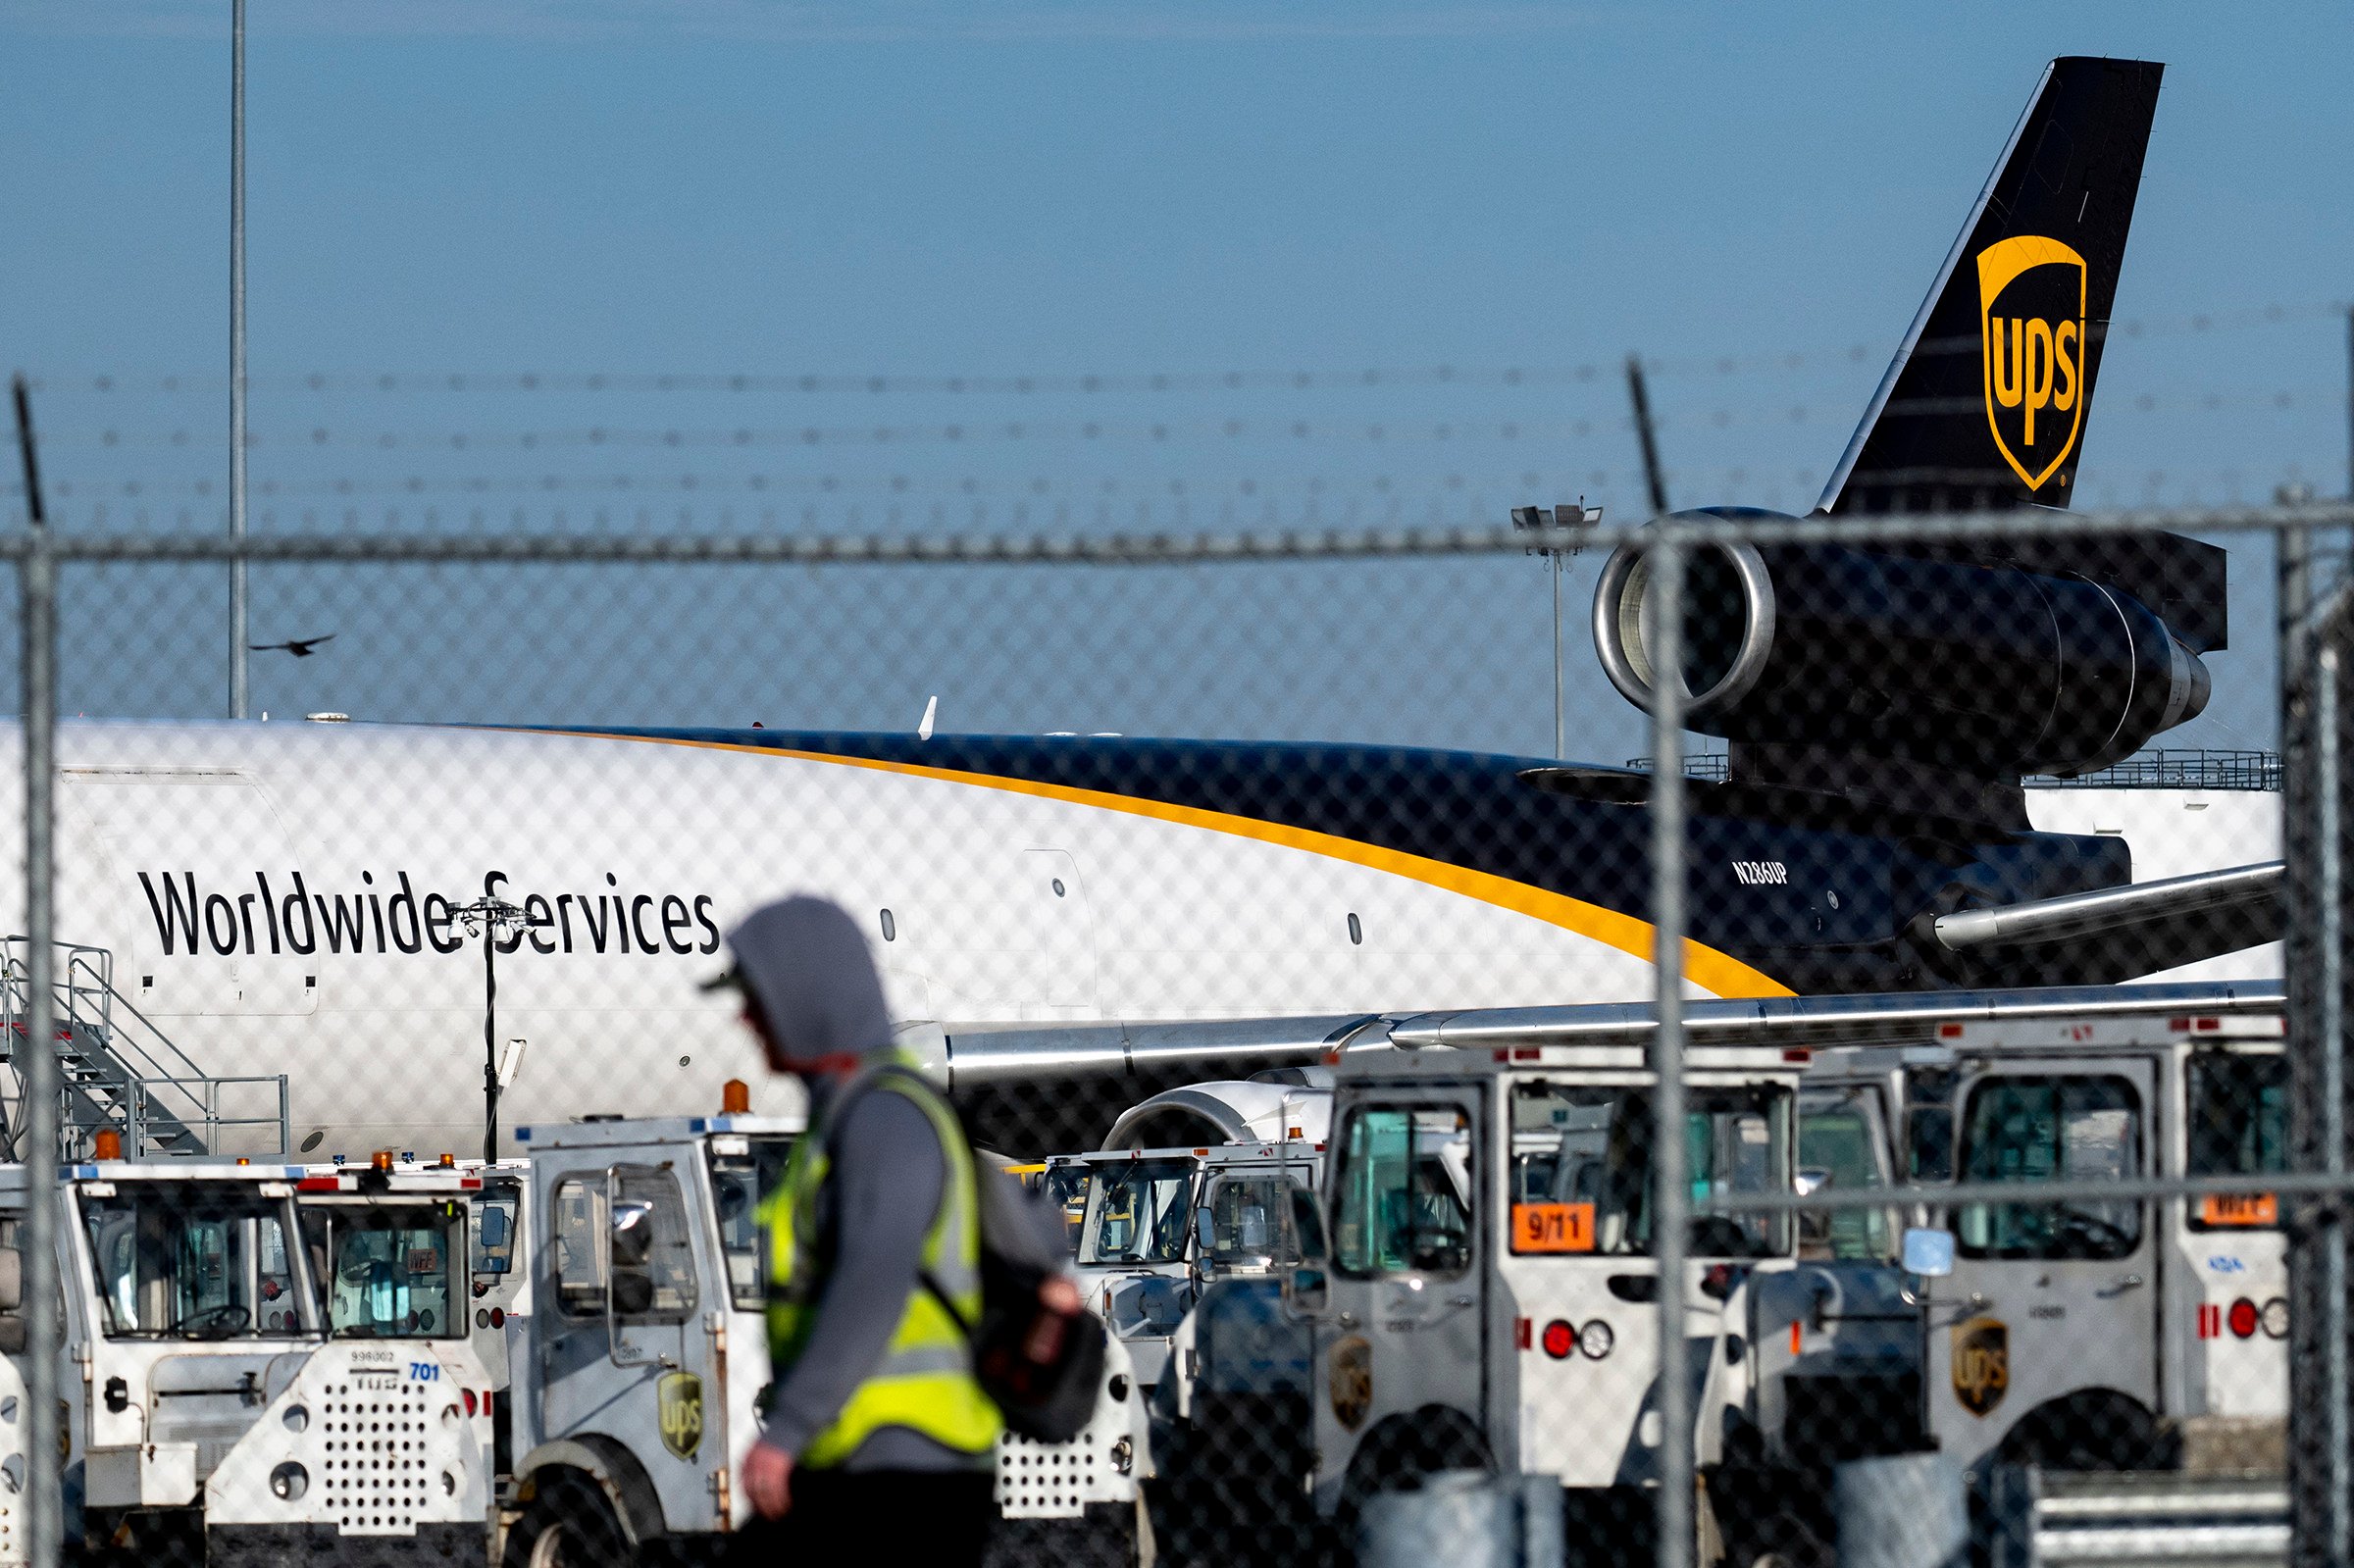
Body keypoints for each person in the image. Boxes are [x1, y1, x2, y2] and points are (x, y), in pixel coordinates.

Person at [712, 895, 1000, 1563]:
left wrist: (786, 1430)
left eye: (758, 996)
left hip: (906, 1466)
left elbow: (873, 1281)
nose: (745, 1016)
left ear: (807, 1000)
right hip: (866, 1457)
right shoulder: (847, 1117)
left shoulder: (881, 1118)